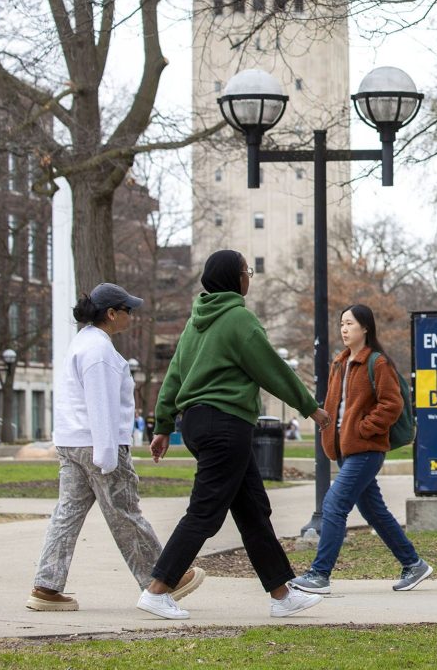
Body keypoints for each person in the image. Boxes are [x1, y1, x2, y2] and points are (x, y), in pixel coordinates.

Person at [141, 250, 330, 620]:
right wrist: (311, 407)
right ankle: (158, 589)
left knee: (253, 510)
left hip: (197, 424)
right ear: (234, 278)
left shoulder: (196, 322)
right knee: (205, 512)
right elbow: (272, 369)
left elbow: (174, 378)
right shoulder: (238, 319)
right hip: (225, 424)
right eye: (247, 271)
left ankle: (281, 594)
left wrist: (163, 426)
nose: (249, 277)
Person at [26, 283, 204, 612]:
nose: (131, 316)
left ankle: (46, 587)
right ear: (111, 314)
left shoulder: (82, 344)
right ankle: (164, 579)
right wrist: (108, 457)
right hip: (99, 446)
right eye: (127, 310)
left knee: (66, 516)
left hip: (72, 443)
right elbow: (101, 406)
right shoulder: (100, 352)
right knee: (126, 514)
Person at [288, 304, 432, 595]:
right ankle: (413, 564)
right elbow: (334, 405)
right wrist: (329, 430)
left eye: (350, 324)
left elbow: (392, 404)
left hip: (366, 449)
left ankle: (319, 574)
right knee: (374, 511)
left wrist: (365, 428)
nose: (344, 329)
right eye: (342, 324)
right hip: (345, 449)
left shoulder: (377, 362)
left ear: (365, 328)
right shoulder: (339, 363)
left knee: (333, 505)